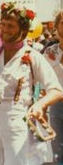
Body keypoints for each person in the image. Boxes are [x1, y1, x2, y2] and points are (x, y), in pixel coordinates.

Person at [0, 1, 63, 165]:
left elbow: (56, 90)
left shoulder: (33, 56)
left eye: (10, 26)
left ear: (22, 31)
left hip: (15, 114)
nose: (5, 30)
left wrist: (39, 106)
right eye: (2, 25)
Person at [43, 10, 63, 163]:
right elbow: (42, 82)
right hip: (56, 105)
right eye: (62, 23)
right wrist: (42, 108)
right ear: (56, 26)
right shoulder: (50, 52)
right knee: (58, 149)